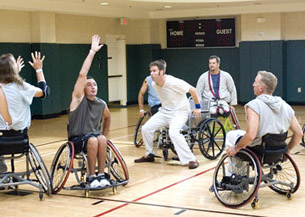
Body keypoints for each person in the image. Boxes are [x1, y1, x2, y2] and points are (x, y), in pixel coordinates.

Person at [134, 60, 202, 169]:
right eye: (150, 71)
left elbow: (193, 90)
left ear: (161, 71)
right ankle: (149, 154)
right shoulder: (153, 84)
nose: (151, 73)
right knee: (146, 128)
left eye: (154, 71)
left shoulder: (173, 82)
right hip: (164, 112)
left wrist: (198, 107)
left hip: (180, 112)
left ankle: (191, 159)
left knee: (173, 132)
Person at [225, 71, 303, 157]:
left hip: (259, 150)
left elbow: (251, 135)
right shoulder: (285, 106)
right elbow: (299, 133)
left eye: (255, 82)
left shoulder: (254, 105)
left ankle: (236, 170)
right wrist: (287, 150)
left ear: (261, 88)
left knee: (231, 135)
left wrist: (236, 148)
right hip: (278, 149)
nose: (253, 84)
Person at [68, 34, 111, 188]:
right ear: (83, 88)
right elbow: (82, 75)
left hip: (94, 138)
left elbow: (107, 118)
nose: (93, 87)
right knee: (93, 140)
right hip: (77, 139)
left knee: (100, 139)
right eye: (89, 85)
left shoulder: (101, 104)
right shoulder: (78, 100)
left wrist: (104, 135)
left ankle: (101, 175)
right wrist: (92, 52)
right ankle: (91, 177)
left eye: (95, 84)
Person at [0, 52, 50, 173]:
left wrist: (13, 73)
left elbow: (7, 89)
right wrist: (39, 70)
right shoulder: (22, 87)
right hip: (20, 139)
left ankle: (2, 174)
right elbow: (44, 92)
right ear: (13, 69)